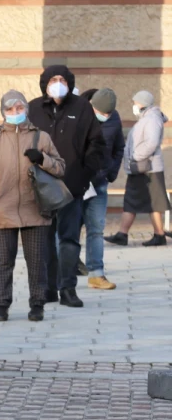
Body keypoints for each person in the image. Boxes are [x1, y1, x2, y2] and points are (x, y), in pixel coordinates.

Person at [0, 91, 66, 322]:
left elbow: (61, 168)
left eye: (19, 109)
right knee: (3, 261)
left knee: (37, 261)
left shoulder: (41, 137)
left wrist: (42, 159)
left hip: (35, 208)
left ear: (25, 109)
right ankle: (2, 304)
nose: (15, 113)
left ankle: (37, 304)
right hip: (2, 209)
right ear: (3, 112)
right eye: (10, 110)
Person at [29, 65, 106, 308]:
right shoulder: (33, 108)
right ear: (45, 83)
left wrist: (84, 176)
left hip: (72, 187)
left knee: (69, 239)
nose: (58, 83)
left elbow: (96, 144)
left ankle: (68, 288)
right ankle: (48, 288)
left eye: (63, 79)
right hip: (41, 188)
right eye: (54, 79)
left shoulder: (81, 107)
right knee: (44, 240)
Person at [106, 90, 169, 248]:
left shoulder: (152, 119)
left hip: (146, 167)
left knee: (141, 202)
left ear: (143, 103)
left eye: (135, 103)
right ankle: (153, 234)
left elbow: (151, 142)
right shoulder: (147, 118)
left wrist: (135, 156)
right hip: (143, 168)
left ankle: (126, 234)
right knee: (145, 202)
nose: (134, 105)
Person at [83, 89, 124, 288]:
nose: (105, 117)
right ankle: (60, 276)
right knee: (67, 231)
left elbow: (119, 147)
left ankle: (96, 273)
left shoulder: (114, 119)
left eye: (109, 114)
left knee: (96, 229)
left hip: (99, 183)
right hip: (77, 183)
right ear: (92, 104)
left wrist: (112, 172)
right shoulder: (80, 114)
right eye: (102, 113)